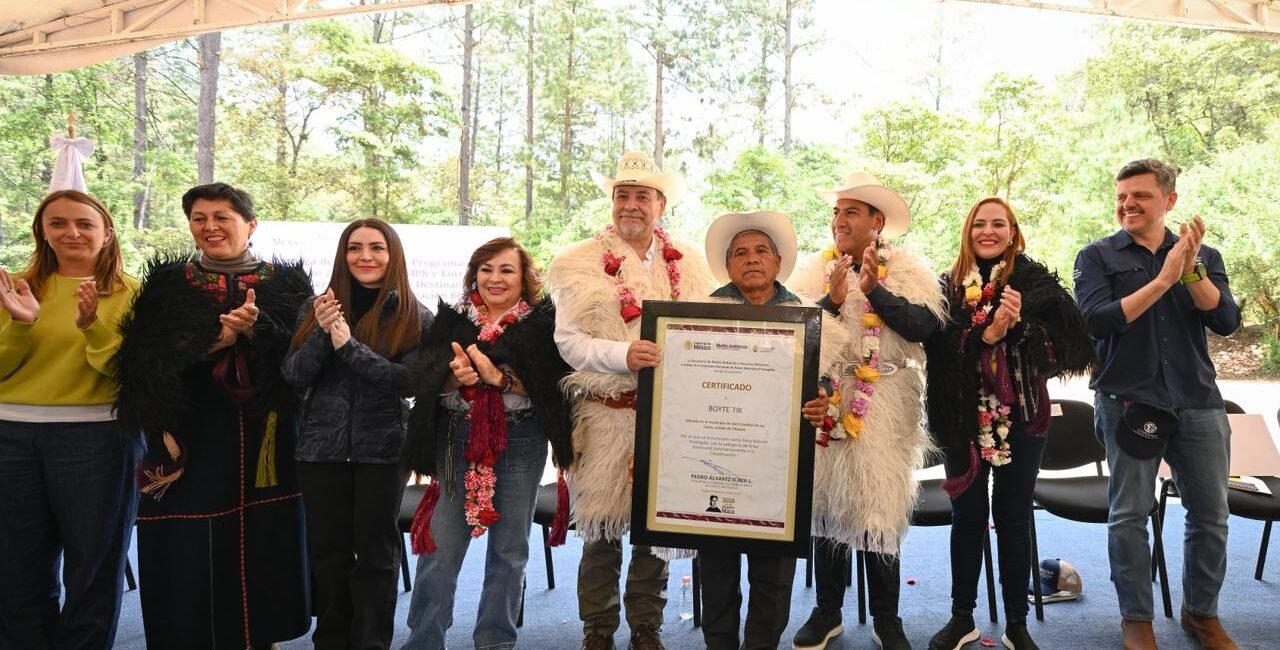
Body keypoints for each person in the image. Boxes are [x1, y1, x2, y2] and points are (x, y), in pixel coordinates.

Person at [114, 182, 313, 650]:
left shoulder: (286, 283)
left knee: (266, 534)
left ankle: (260, 636)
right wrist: (213, 342)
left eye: (222, 217)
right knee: (188, 535)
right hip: (187, 432)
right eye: (199, 218)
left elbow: (304, 357)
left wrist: (257, 331)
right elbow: (140, 361)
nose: (210, 227)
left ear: (250, 224)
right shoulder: (167, 284)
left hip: (268, 432)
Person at [547, 151, 716, 650]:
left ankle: (647, 625)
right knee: (601, 529)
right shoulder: (579, 262)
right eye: (622, 195)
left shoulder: (690, 263)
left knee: (655, 528)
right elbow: (568, 341)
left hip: (668, 416)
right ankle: (597, 629)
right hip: (607, 413)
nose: (631, 205)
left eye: (642, 196)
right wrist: (624, 354)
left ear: (661, 204)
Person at [1073, 159, 1241, 650]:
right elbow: (1096, 320)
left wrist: (1190, 276)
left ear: (1169, 201)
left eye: (1140, 196)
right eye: (1122, 196)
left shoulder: (1203, 254)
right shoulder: (1097, 256)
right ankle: (1137, 619)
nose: (1128, 204)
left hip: (1198, 400)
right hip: (1127, 400)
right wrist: (1164, 279)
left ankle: (1201, 615)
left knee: (1211, 513)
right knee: (1129, 514)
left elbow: (1226, 319)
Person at [923, 197, 1095, 650]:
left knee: (1015, 516)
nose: (988, 231)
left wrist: (1021, 329)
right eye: (979, 223)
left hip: (1022, 417)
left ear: (1013, 232)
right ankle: (963, 617)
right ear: (967, 231)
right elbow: (938, 357)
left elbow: (1069, 351)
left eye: (998, 224)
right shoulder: (947, 287)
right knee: (968, 516)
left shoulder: (1035, 283)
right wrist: (987, 334)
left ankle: (1017, 623)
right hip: (962, 419)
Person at [787, 172, 946, 650]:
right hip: (830, 395)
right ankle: (827, 611)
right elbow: (796, 330)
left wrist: (876, 291)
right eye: (836, 212)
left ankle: (886, 618)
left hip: (888, 399)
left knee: (880, 507)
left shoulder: (909, 270)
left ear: (877, 222)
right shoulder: (815, 270)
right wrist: (832, 300)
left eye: (850, 212)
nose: (839, 220)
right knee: (830, 501)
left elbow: (925, 327)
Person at [401, 237, 573, 650]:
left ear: (524, 278)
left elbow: (555, 390)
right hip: (454, 439)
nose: (495, 279)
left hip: (522, 438)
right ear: (474, 274)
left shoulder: (544, 325)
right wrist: (452, 378)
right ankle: (423, 641)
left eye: (506, 270)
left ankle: (496, 641)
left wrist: (502, 381)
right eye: (487, 269)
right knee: (439, 550)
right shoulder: (450, 321)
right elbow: (424, 385)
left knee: (510, 551)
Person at [698, 211, 848, 650]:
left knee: (774, 578)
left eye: (761, 251)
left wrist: (823, 399)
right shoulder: (702, 313)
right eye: (740, 253)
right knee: (718, 574)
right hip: (715, 464)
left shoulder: (806, 315)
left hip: (778, 469)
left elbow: (825, 377)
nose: (752, 259)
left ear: (778, 261)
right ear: (728, 267)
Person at [0, 190, 143, 649]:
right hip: (9, 437)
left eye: (84, 223)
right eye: (57, 223)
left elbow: (127, 372)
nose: (71, 232)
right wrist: (21, 325)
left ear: (107, 231)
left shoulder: (132, 292)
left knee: (94, 567)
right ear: (43, 231)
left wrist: (91, 325)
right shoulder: (14, 286)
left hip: (97, 438)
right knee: (16, 566)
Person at [281, 219, 431, 650]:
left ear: (393, 255)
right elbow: (293, 375)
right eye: (355, 248)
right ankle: (330, 641)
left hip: (382, 453)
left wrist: (349, 347)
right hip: (319, 452)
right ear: (342, 256)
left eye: (376, 248)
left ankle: (370, 643)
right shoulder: (317, 307)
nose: (365, 256)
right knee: (328, 557)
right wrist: (324, 336)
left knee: (377, 558)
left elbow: (408, 383)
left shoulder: (414, 315)